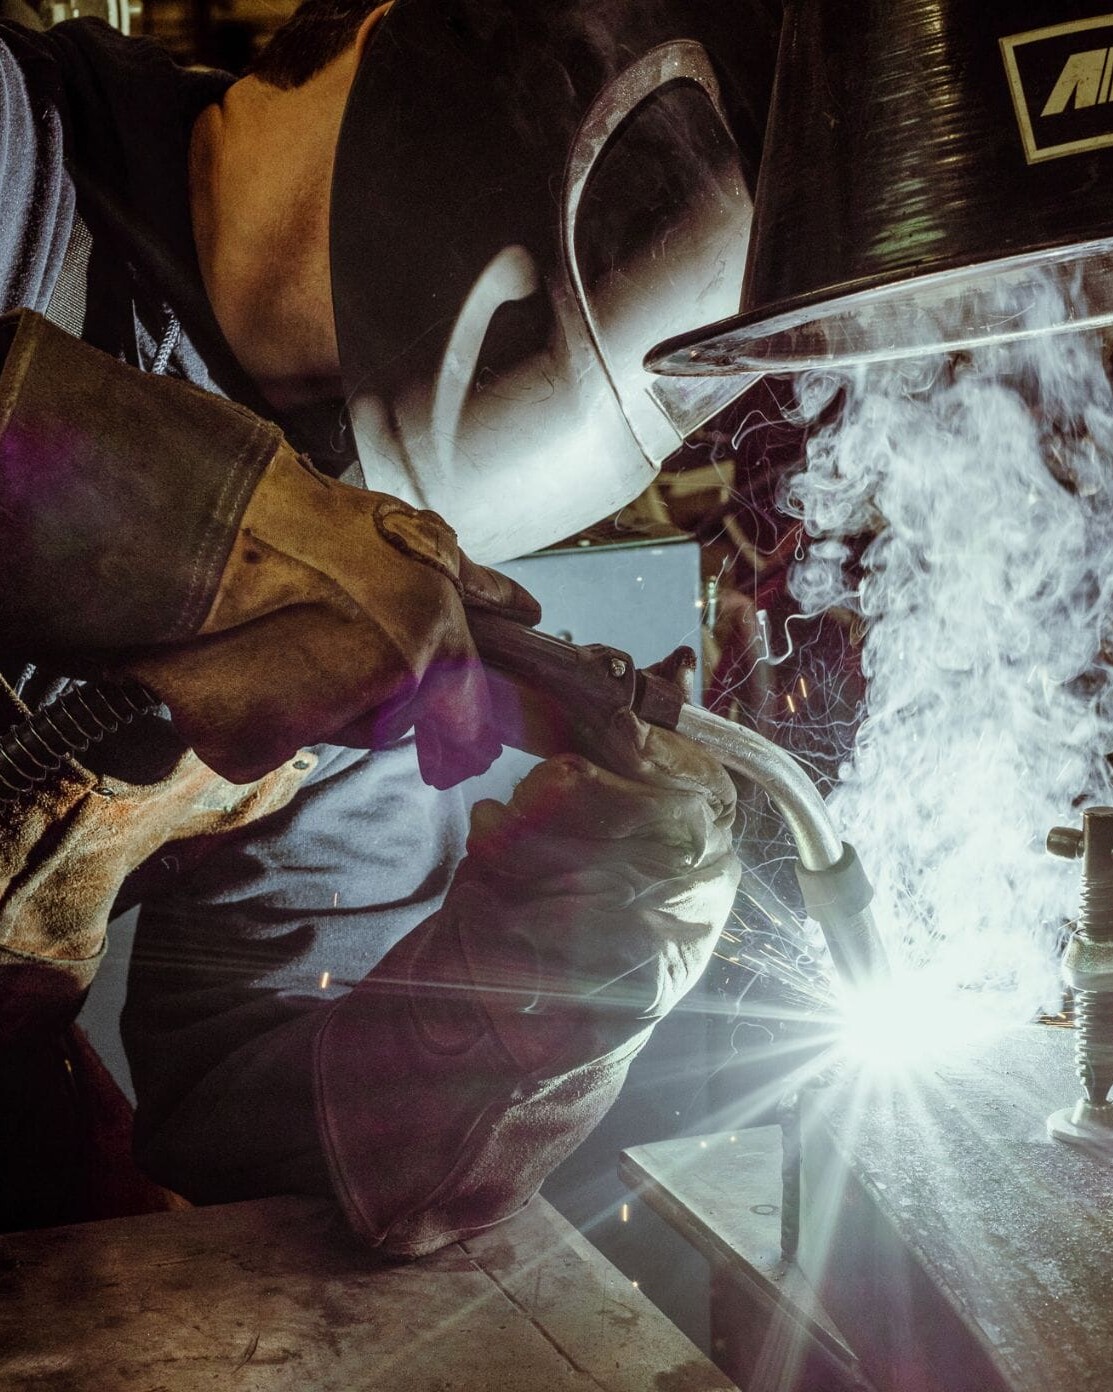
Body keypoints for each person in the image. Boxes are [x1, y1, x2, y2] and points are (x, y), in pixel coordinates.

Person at [0, 0, 748, 1251]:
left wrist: (530, 997)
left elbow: (258, 1136)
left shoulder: (369, 606)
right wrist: (204, 541)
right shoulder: (18, 165)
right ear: (372, 46)